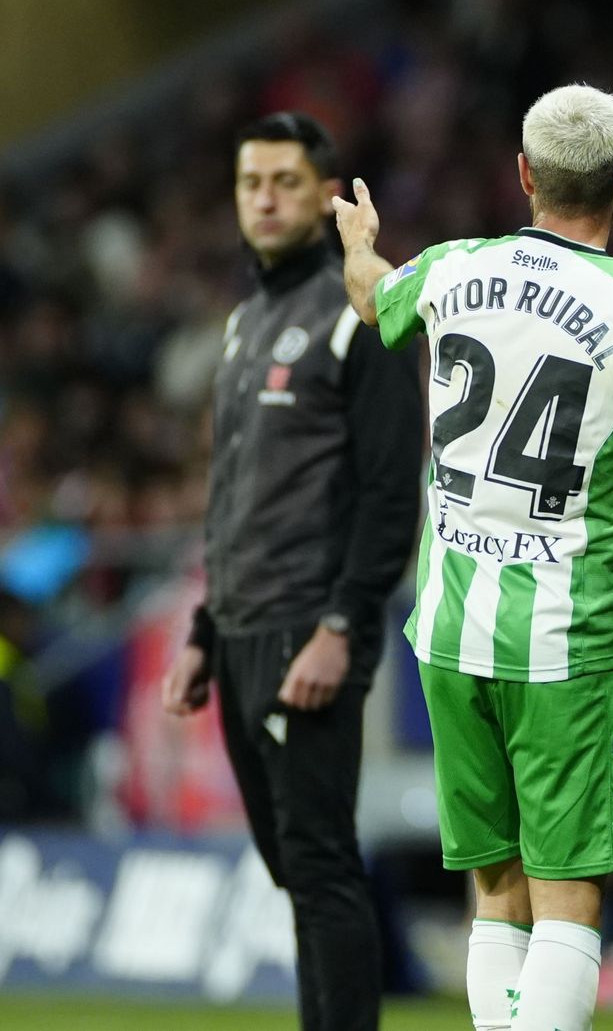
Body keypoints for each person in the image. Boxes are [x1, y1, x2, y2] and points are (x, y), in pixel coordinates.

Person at [331, 83, 613, 1031]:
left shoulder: (454, 269)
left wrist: (357, 243)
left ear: (525, 175)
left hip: (449, 628)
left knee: (494, 885)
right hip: (565, 642)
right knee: (568, 896)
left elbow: (376, 301)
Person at [159, 112, 423, 1031]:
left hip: (309, 624)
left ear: (325, 194)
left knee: (317, 864)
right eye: (249, 184)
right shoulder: (245, 320)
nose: (264, 199)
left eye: (284, 181)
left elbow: (393, 491)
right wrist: (200, 632)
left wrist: (344, 625)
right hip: (237, 628)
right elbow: (231, 487)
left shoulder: (364, 310)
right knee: (290, 864)